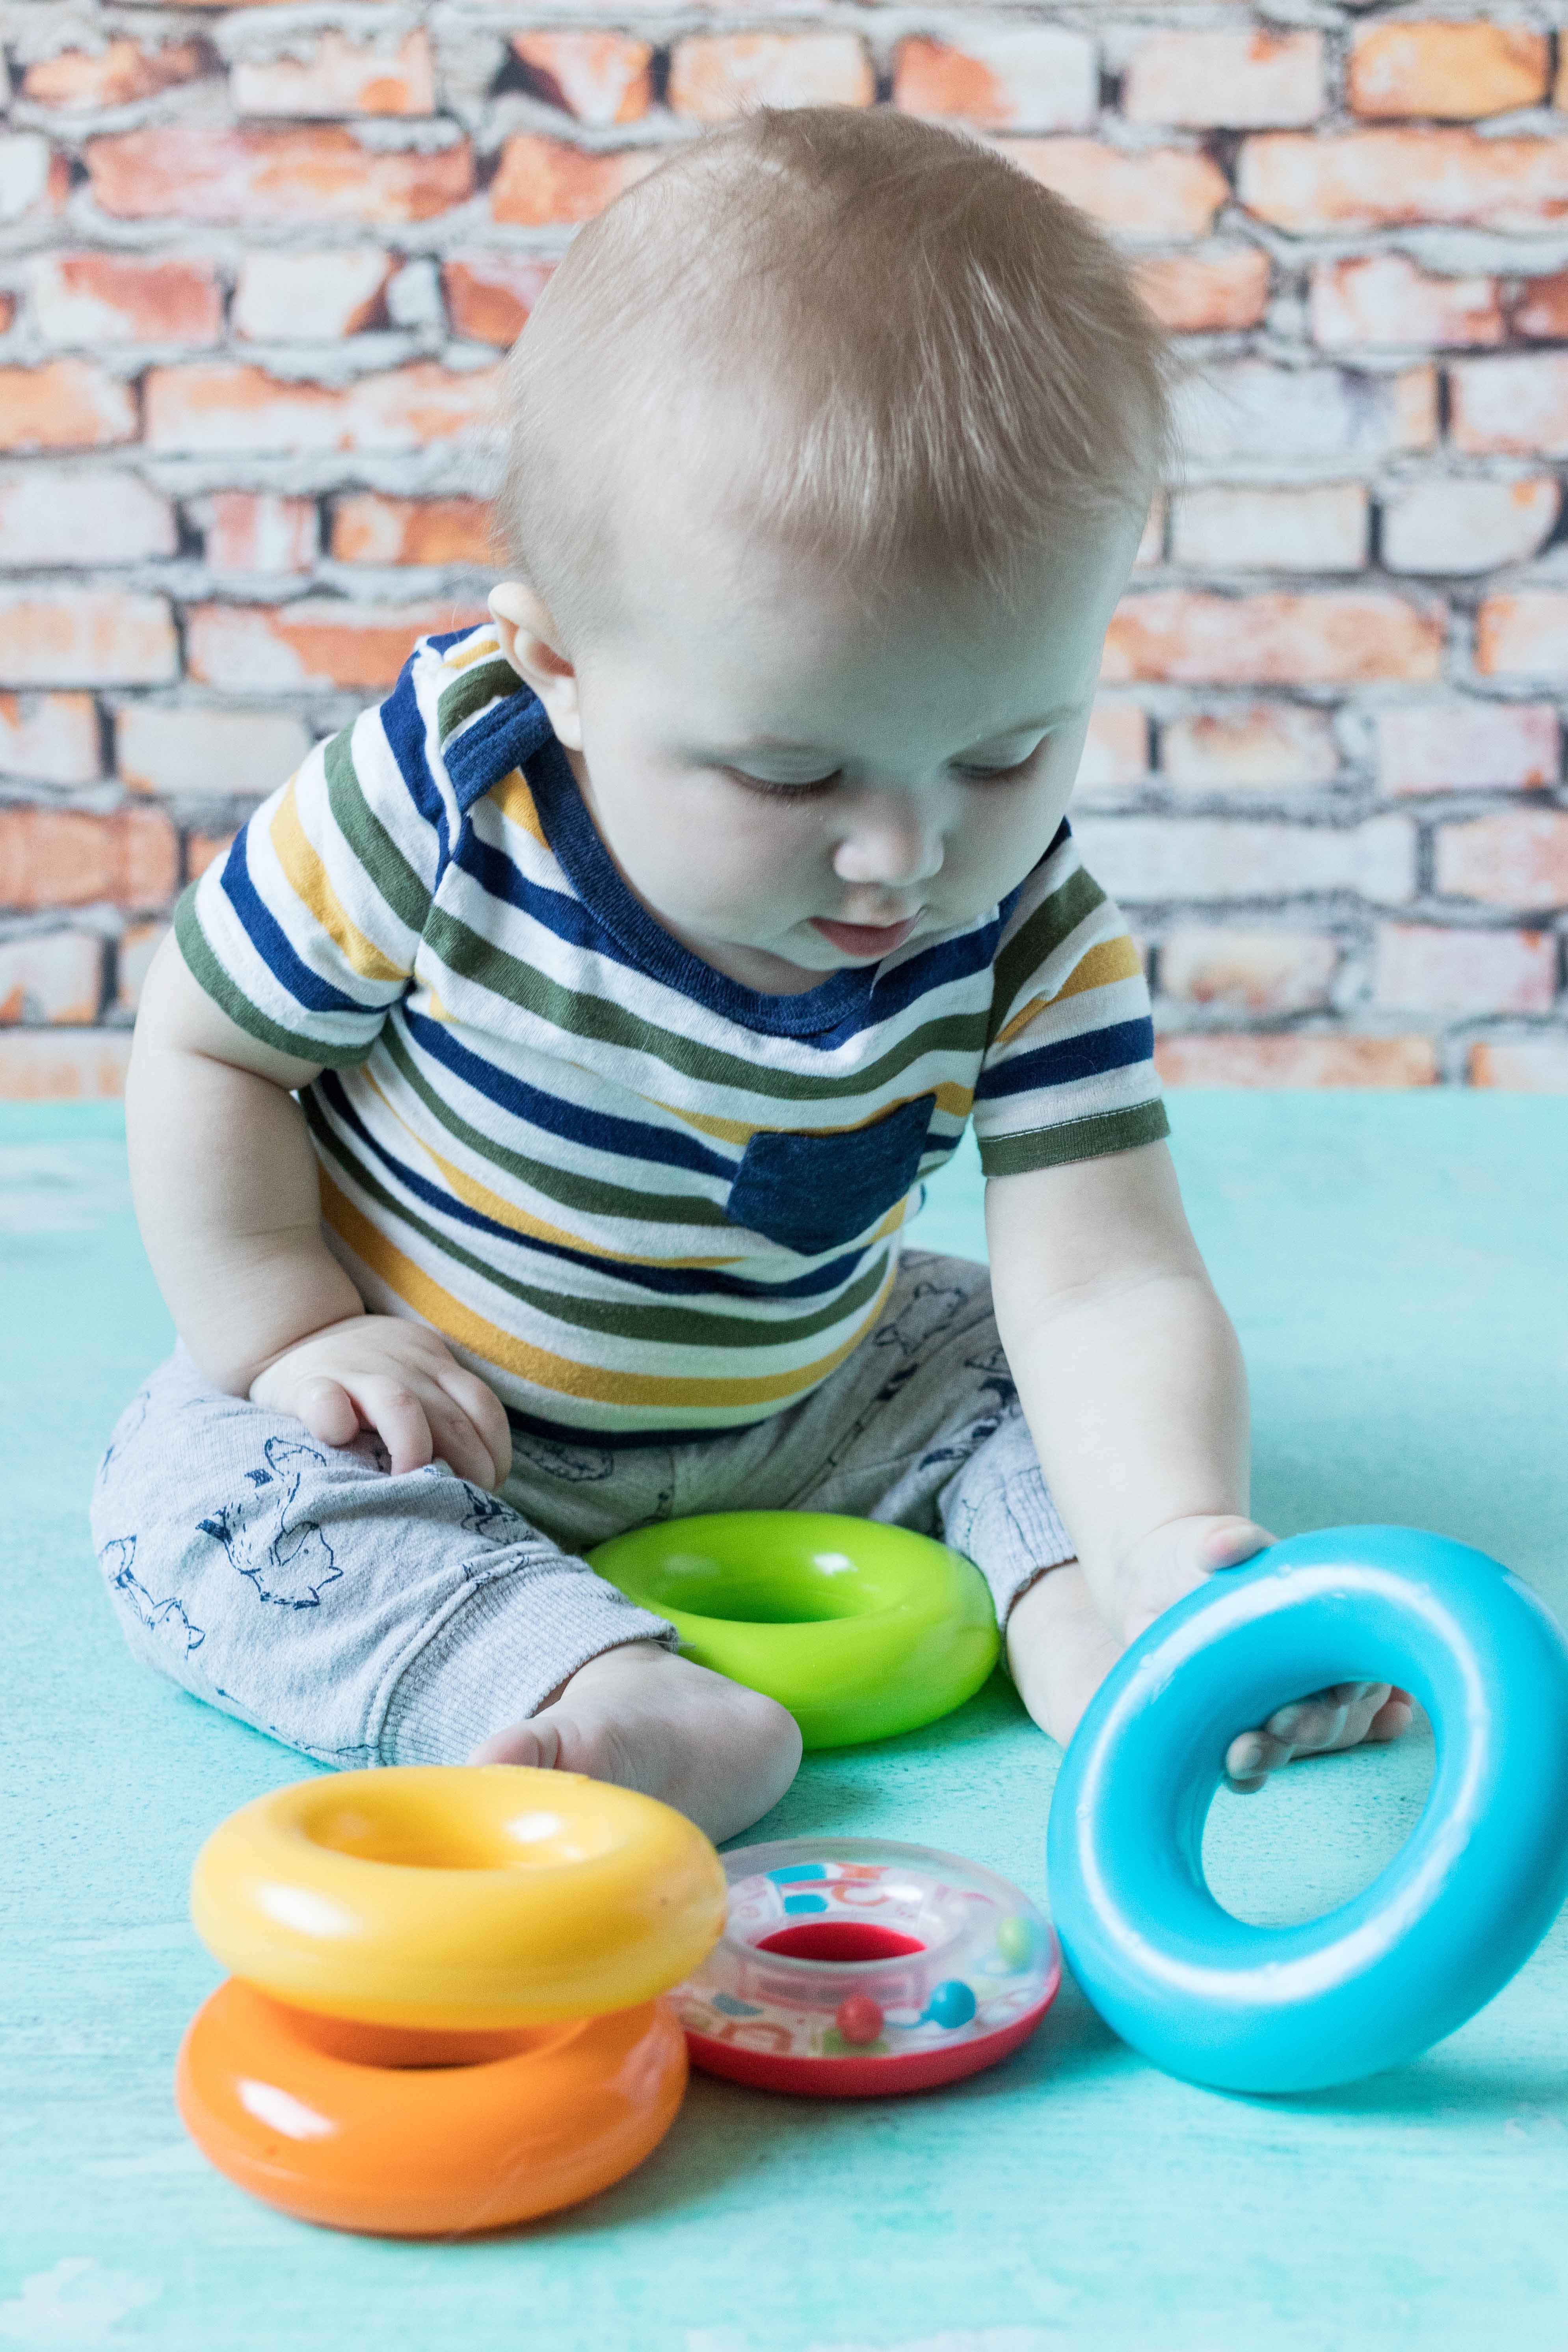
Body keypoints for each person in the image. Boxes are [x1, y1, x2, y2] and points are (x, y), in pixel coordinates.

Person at [90, 104, 1412, 1843]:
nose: (903, 855)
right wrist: (292, 1329)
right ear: (559, 665)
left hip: (808, 1387)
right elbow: (209, 1053)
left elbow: (1098, 1282)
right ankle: (574, 1680)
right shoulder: (443, 791)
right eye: (793, 779)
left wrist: (1171, 1528)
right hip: (438, 1401)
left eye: (1009, 750)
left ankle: (1109, 1618)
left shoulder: (1025, 928)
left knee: (1024, 1363)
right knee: (186, 1499)